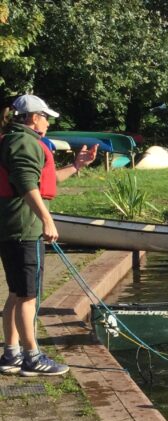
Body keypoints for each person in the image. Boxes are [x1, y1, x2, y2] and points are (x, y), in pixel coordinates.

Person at [0, 94, 98, 376]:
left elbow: (43, 181)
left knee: (17, 293)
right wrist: (47, 219)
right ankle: (32, 358)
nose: (48, 122)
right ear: (33, 117)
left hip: (13, 229)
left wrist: (76, 166)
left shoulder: (15, 139)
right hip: (24, 229)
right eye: (45, 117)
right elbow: (26, 183)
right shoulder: (24, 142)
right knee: (28, 296)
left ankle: (11, 354)